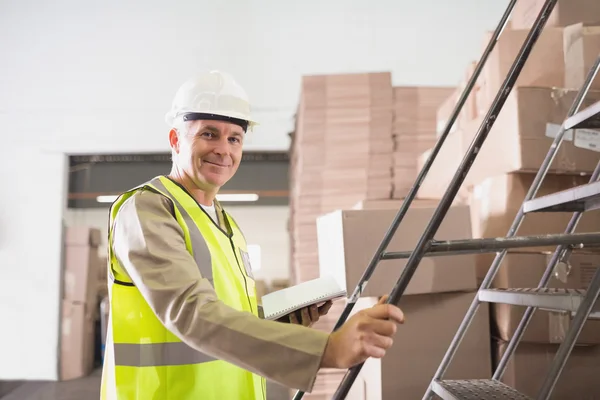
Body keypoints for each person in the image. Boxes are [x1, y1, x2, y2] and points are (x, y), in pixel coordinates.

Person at [99, 70, 405, 400]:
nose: (223, 149)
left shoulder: (227, 226)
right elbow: (191, 313)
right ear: (175, 139)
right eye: (209, 134)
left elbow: (228, 315)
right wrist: (326, 348)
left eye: (234, 138)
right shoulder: (147, 209)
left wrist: (283, 320)